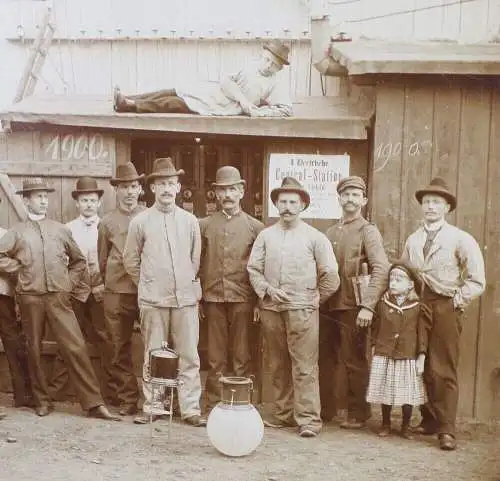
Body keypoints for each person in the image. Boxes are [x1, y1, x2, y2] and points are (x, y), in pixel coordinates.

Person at [0, 178, 119, 420]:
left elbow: (78, 262)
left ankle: (94, 403)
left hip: (59, 297)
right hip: (30, 297)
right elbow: (0, 256)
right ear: (26, 200)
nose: (43, 201)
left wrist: (67, 284)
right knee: (33, 348)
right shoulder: (17, 232)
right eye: (37, 197)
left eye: (45, 196)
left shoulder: (60, 230)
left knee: (76, 346)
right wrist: (20, 270)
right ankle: (42, 401)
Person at [247, 177, 340, 438]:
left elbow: (331, 275)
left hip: (303, 311)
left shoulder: (315, 238)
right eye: (283, 201)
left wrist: (316, 299)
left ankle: (308, 420)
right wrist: (266, 289)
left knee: (305, 365)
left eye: (293, 202)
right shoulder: (266, 236)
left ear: (303, 206)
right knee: (276, 363)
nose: (287, 206)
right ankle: (281, 413)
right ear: (276, 204)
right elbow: (253, 268)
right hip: (271, 310)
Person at [402, 177, 485, 451]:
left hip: (445, 306)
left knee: (443, 368)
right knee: (420, 364)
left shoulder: (461, 239)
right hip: (418, 306)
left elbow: (476, 280)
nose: (430, 207)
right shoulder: (413, 240)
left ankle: (446, 429)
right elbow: (405, 272)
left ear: (447, 207)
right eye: (426, 202)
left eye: (436, 202)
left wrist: (456, 301)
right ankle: (429, 420)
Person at [123, 157, 205, 427]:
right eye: (161, 184)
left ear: (179, 187)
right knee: (154, 353)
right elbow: (131, 261)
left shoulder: (190, 221)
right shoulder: (140, 222)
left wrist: (184, 283)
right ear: (152, 189)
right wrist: (148, 284)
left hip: (184, 301)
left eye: (171, 183)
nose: (167, 189)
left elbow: (195, 260)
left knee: (189, 354)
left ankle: (190, 407)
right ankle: (154, 405)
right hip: (153, 300)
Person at [322, 176, 390, 429]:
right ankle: (326, 410)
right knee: (325, 357)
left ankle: (358, 413)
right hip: (328, 304)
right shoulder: (330, 232)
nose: (350, 199)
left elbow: (381, 268)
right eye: (345, 194)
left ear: (364, 200)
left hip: (354, 306)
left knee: (354, 358)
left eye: (355, 195)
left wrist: (368, 305)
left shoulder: (368, 231)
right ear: (339, 198)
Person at [199, 166, 264, 410]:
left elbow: (260, 268)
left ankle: (240, 402)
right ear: (215, 194)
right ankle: (214, 403)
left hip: (242, 299)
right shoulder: (203, 225)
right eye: (222, 190)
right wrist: (198, 299)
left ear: (242, 192)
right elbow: (197, 262)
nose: (227, 195)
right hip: (213, 298)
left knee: (241, 353)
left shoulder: (255, 227)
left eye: (232, 189)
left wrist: (258, 301)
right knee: (215, 355)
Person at [49, 177, 115, 406]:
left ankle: (111, 393)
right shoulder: (67, 229)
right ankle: (58, 391)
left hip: (99, 293)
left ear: (99, 203)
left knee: (106, 341)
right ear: (77, 203)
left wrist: (103, 287)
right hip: (74, 294)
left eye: (93, 200)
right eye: (84, 200)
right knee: (67, 340)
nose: (88, 204)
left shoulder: (105, 226)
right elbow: (61, 261)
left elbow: (113, 261)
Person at [113, 40, 292, 118]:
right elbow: (225, 81)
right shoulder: (250, 65)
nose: (268, 66)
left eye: (274, 64)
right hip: (215, 93)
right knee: (173, 90)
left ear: (280, 68)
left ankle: (130, 105)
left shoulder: (274, 84)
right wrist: (243, 99)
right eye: (267, 60)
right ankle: (127, 99)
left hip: (222, 107)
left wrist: (259, 112)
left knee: (175, 103)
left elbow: (286, 110)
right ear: (262, 55)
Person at [98, 163, 146, 416]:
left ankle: (155, 400)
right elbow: (103, 259)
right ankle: (128, 398)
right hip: (116, 292)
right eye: (124, 187)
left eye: (134, 186)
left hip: (146, 291)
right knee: (118, 346)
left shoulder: (149, 216)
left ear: (140, 189)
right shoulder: (107, 222)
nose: (129, 192)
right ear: (116, 190)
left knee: (154, 345)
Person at [366, 261, 431, 439]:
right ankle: (386, 423)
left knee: (407, 392)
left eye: (399, 279)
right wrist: (373, 348)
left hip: (407, 355)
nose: (393, 283)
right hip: (385, 354)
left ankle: (406, 426)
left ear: (410, 285)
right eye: (391, 279)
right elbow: (375, 328)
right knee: (386, 389)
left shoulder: (417, 307)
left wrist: (421, 356)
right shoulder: (382, 304)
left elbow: (422, 334)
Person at [0, 225, 33, 409]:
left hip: (3, 295)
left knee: (13, 343)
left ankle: (22, 394)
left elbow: (21, 264)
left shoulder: (6, 234)